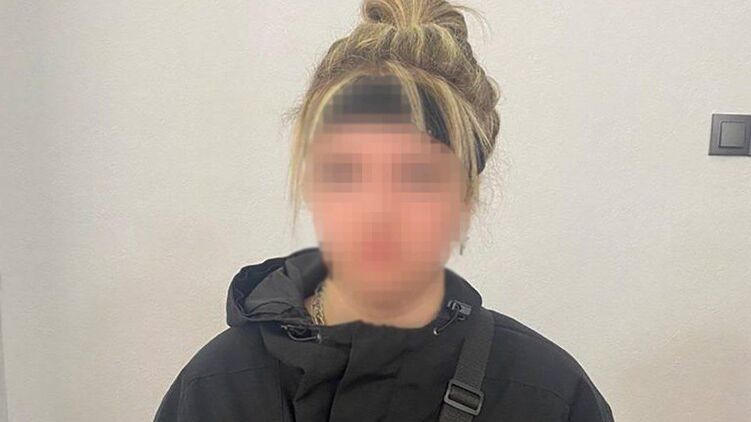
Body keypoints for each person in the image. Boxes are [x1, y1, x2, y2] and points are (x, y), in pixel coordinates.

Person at [154, 0, 614, 421]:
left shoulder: (550, 398)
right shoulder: (213, 391)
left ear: (466, 199)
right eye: (345, 171)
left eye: (418, 176)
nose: (377, 211)